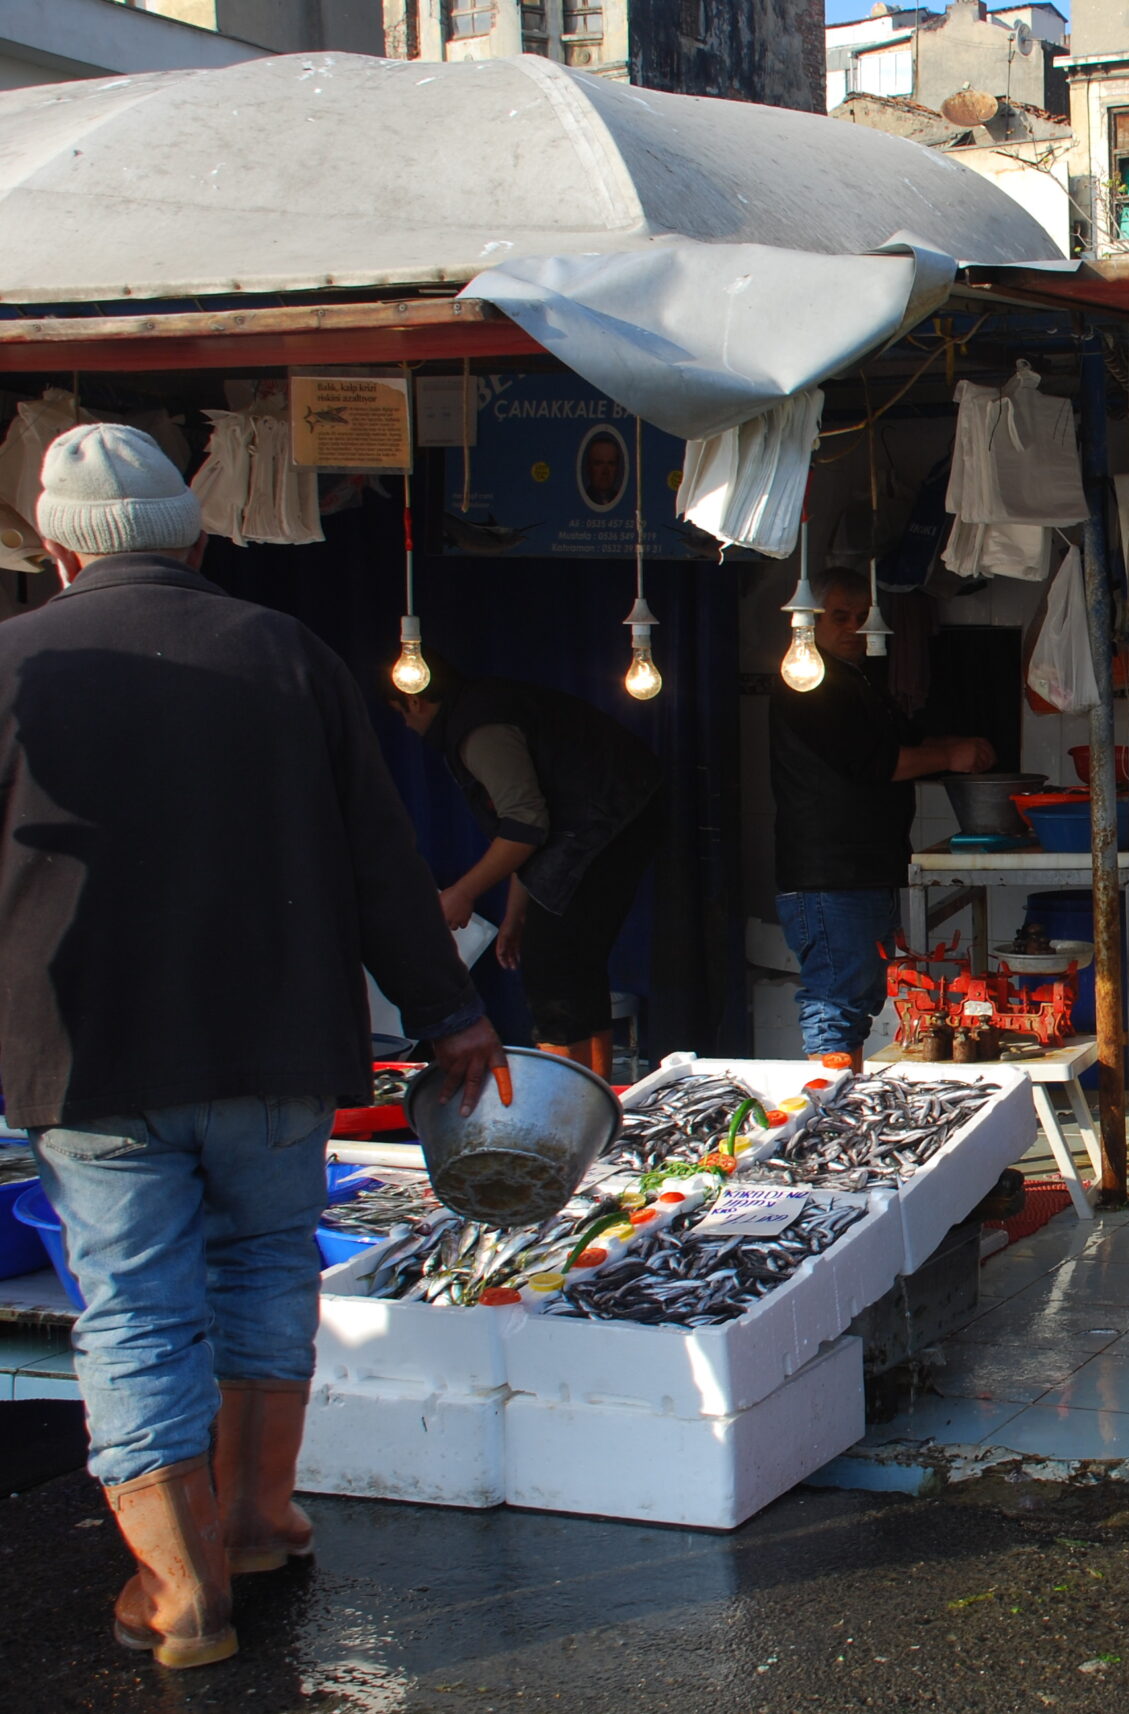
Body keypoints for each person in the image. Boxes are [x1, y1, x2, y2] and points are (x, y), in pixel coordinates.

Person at [0, 425, 502, 1668]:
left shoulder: (12, 663)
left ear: (56, 550)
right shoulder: (284, 651)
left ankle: (184, 1591)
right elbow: (381, 854)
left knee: (135, 1309)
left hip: (92, 1057)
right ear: (196, 540)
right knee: (266, 1268)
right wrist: (449, 1012)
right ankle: (262, 1519)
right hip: (277, 1041)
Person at [388, 662, 663, 1076]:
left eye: (402, 713)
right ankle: (596, 1094)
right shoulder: (484, 708)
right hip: (613, 818)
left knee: (553, 969)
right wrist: (515, 916)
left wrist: (462, 893)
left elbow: (525, 828)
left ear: (415, 701)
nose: (407, 726)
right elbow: (527, 834)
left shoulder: (478, 727)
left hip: (607, 822)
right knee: (576, 968)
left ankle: (567, 1101)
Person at [770, 566, 994, 1062]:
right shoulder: (809, 684)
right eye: (839, 617)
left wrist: (956, 745)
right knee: (836, 1004)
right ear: (808, 621)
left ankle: (842, 1097)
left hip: (863, 872)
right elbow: (876, 762)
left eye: (861, 616)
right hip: (829, 877)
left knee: (857, 1001)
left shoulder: (856, 680)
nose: (854, 628)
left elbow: (903, 743)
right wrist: (949, 756)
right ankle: (830, 1103)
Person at [579, 429, 626, 511]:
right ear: (589, 467)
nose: (605, 471)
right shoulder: (581, 500)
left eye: (611, 464)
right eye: (598, 463)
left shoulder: (625, 501)